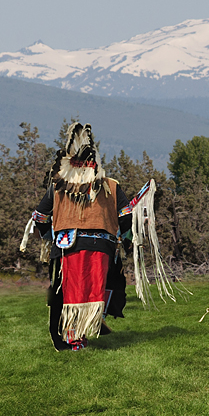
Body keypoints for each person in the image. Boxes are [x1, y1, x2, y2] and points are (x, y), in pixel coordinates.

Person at [20, 122, 171, 351]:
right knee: (96, 287)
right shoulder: (110, 186)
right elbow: (125, 217)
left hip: (66, 247)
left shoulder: (59, 187)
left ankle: (73, 337)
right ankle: (87, 328)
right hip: (102, 248)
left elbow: (40, 217)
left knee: (67, 292)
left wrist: (50, 236)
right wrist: (127, 237)